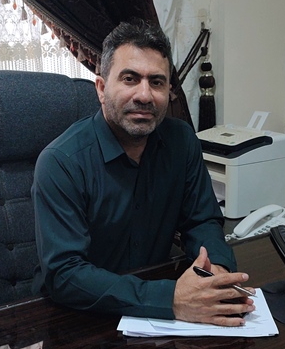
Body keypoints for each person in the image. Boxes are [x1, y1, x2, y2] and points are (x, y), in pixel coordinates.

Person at [32, 19, 255, 326]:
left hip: (155, 318)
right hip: (76, 317)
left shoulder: (181, 141)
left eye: (157, 82)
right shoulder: (61, 162)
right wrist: (169, 299)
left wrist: (215, 269)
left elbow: (201, 220)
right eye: (130, 79)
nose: (145, 95)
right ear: (101, 88)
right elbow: (65, 274)